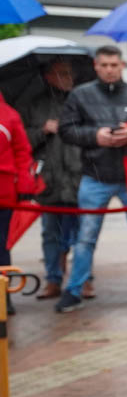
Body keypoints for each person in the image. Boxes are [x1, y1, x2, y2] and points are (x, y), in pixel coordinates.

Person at [55, 46, 127, 313]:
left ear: (122, 66)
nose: (109, 70)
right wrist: (95, 136)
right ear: (96, 66)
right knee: (85, 238)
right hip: (94, 175)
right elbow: (66, 129)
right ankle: (74, 290)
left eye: (114, 65)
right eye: (105, 65)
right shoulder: (80, 94)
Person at [20, 58, 85, 300]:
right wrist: (42, 130)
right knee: (50, 233)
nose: (68, 78)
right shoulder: (33, 105)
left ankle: (84, 278)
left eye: (70, 73)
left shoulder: (81, 101)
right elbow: (22, 142)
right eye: (62, 73)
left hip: (78, 176)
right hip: (49, 179)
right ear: (48, 76)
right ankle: (53, 279)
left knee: (82, 233)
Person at [0, 91, 42, 314]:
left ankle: (3, 297)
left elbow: (22, 152)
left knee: (1, 247)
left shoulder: (9, 114)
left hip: (4, 193)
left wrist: (25, 186)